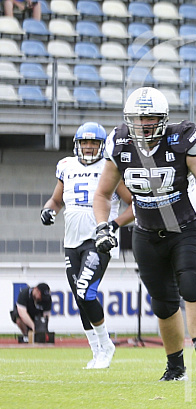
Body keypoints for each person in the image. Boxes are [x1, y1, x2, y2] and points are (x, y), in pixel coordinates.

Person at [93, 87, 196, 383]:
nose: (143, 124)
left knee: (191, 286)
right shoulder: (118, 143)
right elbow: (103, 194)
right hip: (146, 230)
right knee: (163, 303)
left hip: (187, 226)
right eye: (137, 118)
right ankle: (175, 367)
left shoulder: (181, 140)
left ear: (163, 118)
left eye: (150, 117)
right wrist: (103, 225)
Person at [41, 122, 134, 369]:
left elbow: (134, 204)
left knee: (85, 291)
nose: (89, 147)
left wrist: (113, 224)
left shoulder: (109, 167)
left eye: (94, 142)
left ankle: (107, 346)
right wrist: (49, 210)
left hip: (98, 240)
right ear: (77, 144)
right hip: (71, 241)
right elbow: (56, 200)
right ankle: (97, 351)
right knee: (79, 297)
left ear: (102, 145)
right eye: (85, 142)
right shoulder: (66, 166)